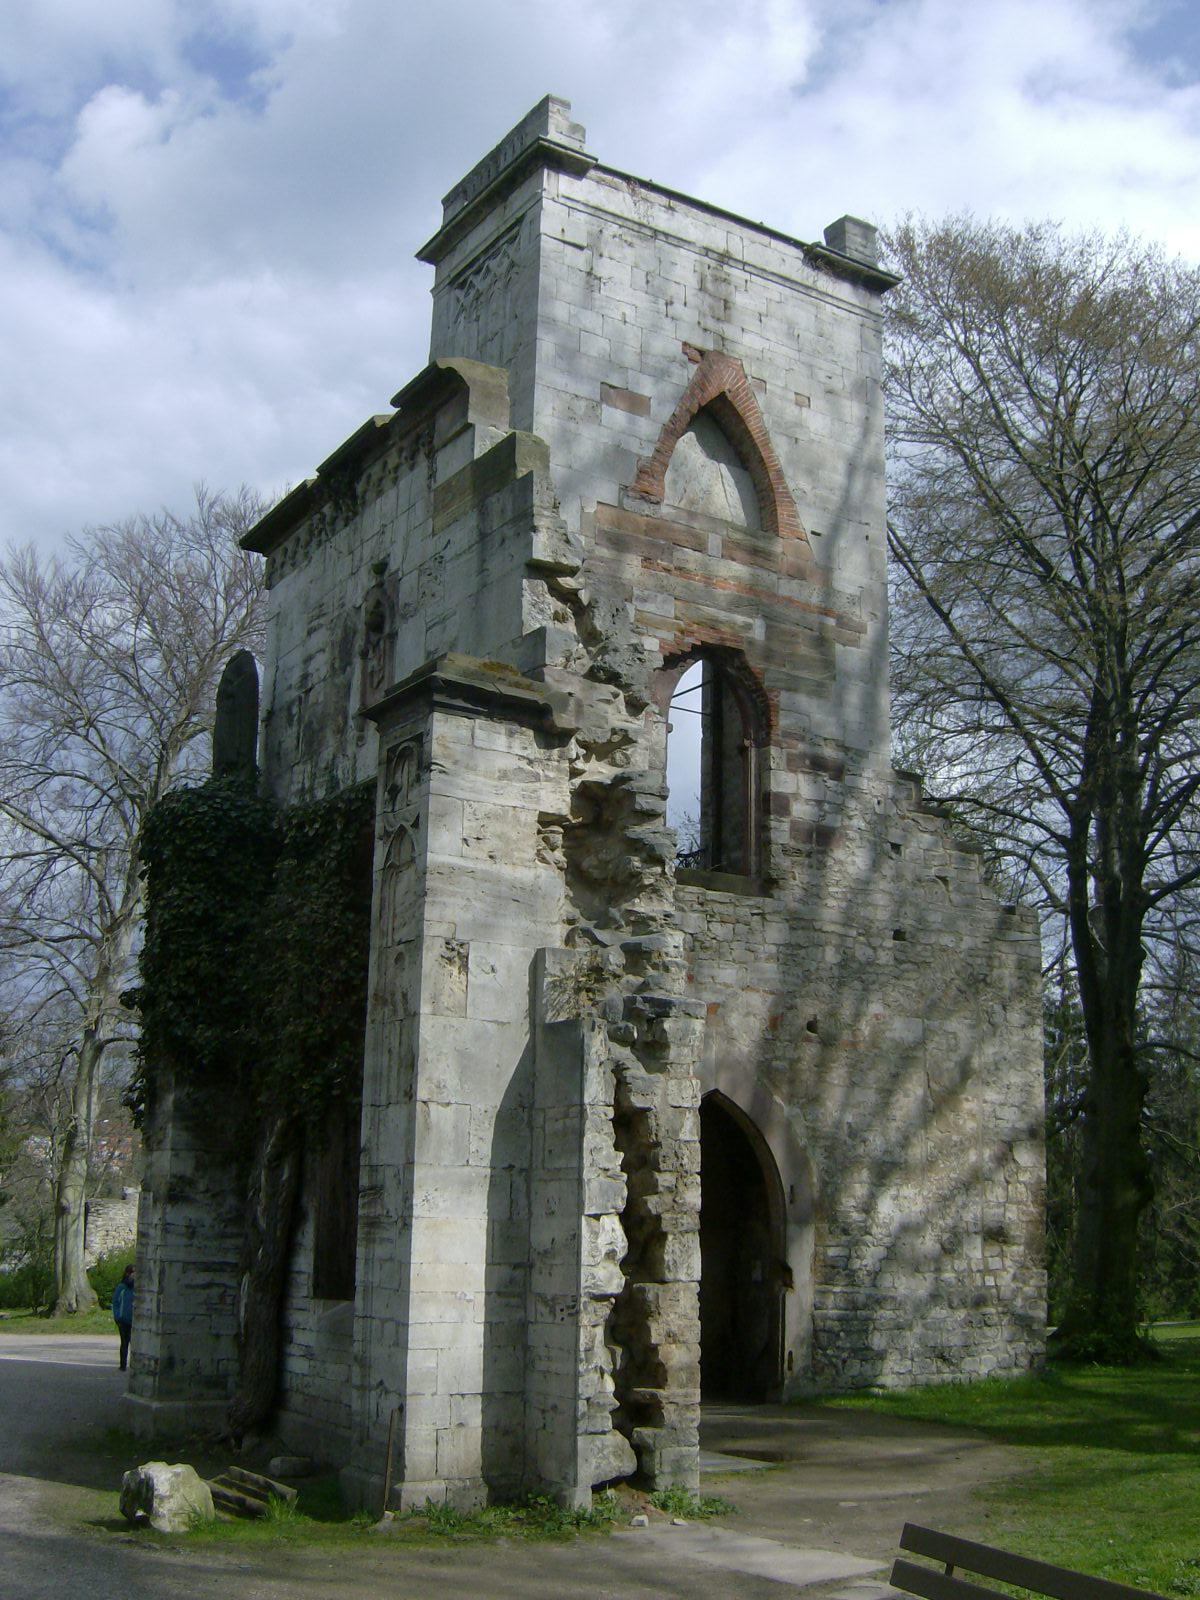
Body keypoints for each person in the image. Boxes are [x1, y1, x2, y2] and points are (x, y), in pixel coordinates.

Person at [112, 1265, 134, 1372]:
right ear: (127, 1273)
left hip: (134, 1320)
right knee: (124, 1342)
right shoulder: (121, 1288)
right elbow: (115, 1303)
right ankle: (123, 1365)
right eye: (132, 1272)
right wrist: (117, 1317)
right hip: (123, 1320)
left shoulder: (137, 1288)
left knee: (134, 1343)